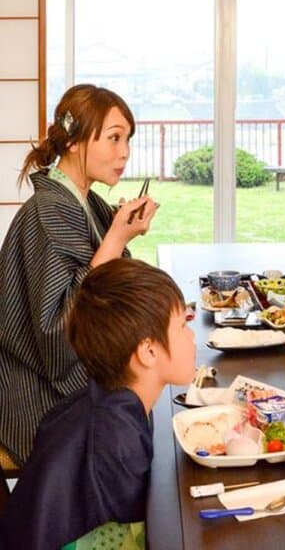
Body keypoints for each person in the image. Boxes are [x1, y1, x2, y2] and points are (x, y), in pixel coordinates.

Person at [0, 84, 158, 466]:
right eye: (114, 138)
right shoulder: (48, 210)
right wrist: (116, 238)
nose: (125, 152)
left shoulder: (85, 201)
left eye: (128, 140)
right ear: (73, 142)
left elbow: (111, 281)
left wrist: (121, 234)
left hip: (56, 379)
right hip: (37, 394)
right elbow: (58, 331)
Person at [0, 258, 195, 549]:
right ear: (148, 351)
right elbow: (143, 536)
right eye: (182, 325)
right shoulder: (116, 438)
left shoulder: (105, 401)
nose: (192, 337)